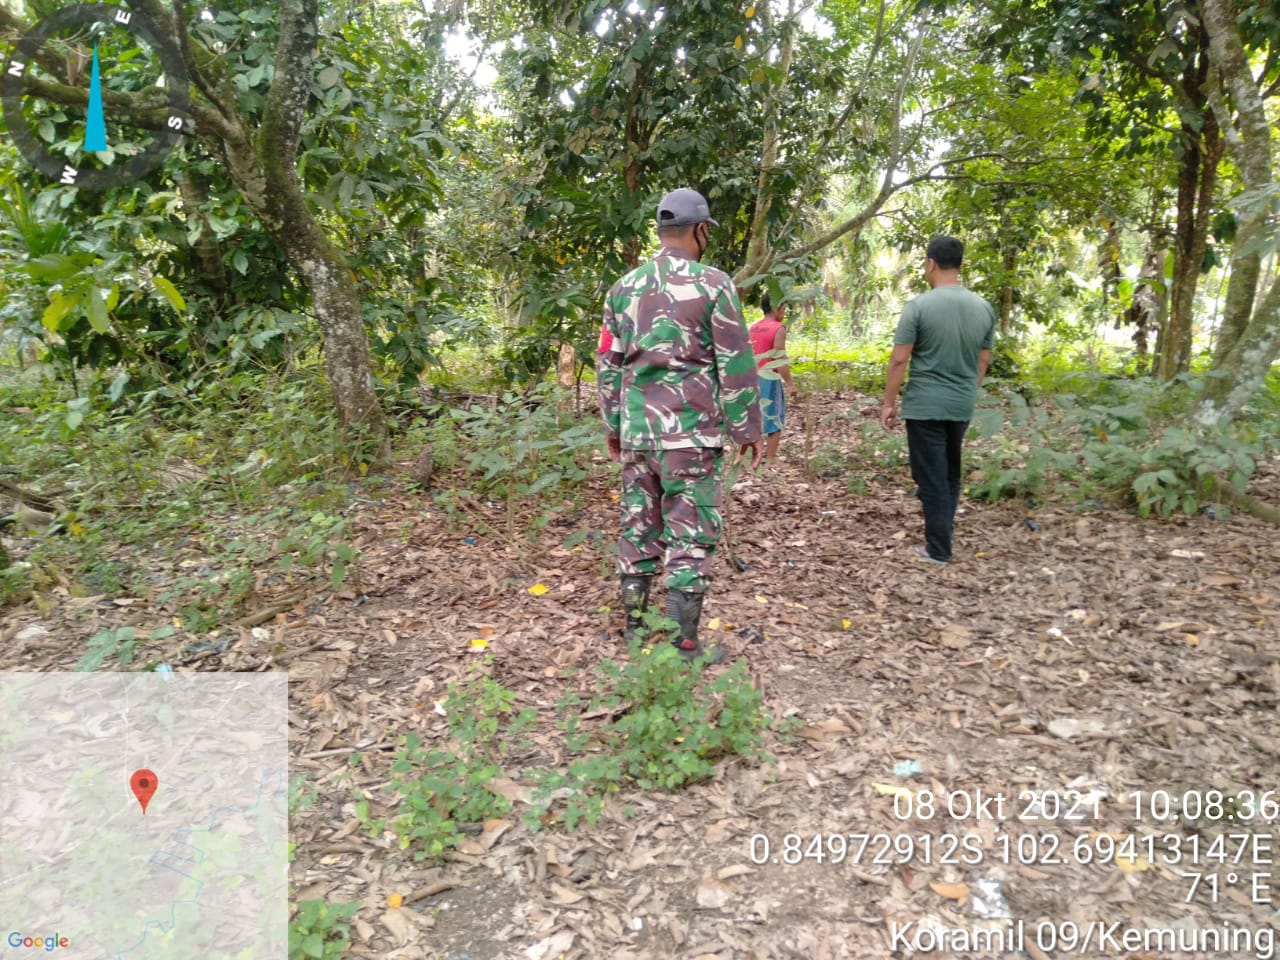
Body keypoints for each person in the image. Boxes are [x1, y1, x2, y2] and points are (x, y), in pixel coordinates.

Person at [598, 188, 764, 663]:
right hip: (690, 434)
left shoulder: (622, 289)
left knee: (638, 527)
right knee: (689, 535)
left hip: (638, 433)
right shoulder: (714, 285)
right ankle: (683, 644)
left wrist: (615, 424)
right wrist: (747, 428)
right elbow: (735, 361)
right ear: (699, 230)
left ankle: (635, 633)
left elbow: (609, 363)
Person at [880, 236, 995, 564]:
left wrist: (888, 402)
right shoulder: (983, 308)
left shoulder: (919, 306)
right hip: (960, 404)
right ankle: (941, 536)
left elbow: (900, 359)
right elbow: (983, 362)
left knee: (929, 473)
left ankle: (939, 548)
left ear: (930, 263)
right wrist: (968, 391)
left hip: (925, 404)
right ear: (959, 265)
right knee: (948, 471)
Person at [747, 292, 794, 467]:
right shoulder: (778, 328)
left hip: (752, 377)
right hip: (769, 377)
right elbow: (779, 358)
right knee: (774, 415)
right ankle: (771, 459)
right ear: (776, 308)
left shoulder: (754, 327)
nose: (784, 312)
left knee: (755, 417)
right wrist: (789, 383)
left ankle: (754, 458)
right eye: (783, 308)